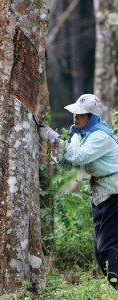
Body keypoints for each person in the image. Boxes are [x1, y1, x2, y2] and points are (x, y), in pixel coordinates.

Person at [39, 94, 118, 289]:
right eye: (75, 114)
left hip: (114, 194)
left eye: (80, 115)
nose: (75, 118)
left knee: (106, 246)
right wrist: (54, 145)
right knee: (99, 250)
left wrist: (55, 138)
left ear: (91, 117)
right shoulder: (78, 135)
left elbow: (79, 156)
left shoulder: (100, 136)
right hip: (100, 194)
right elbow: (68, 164)